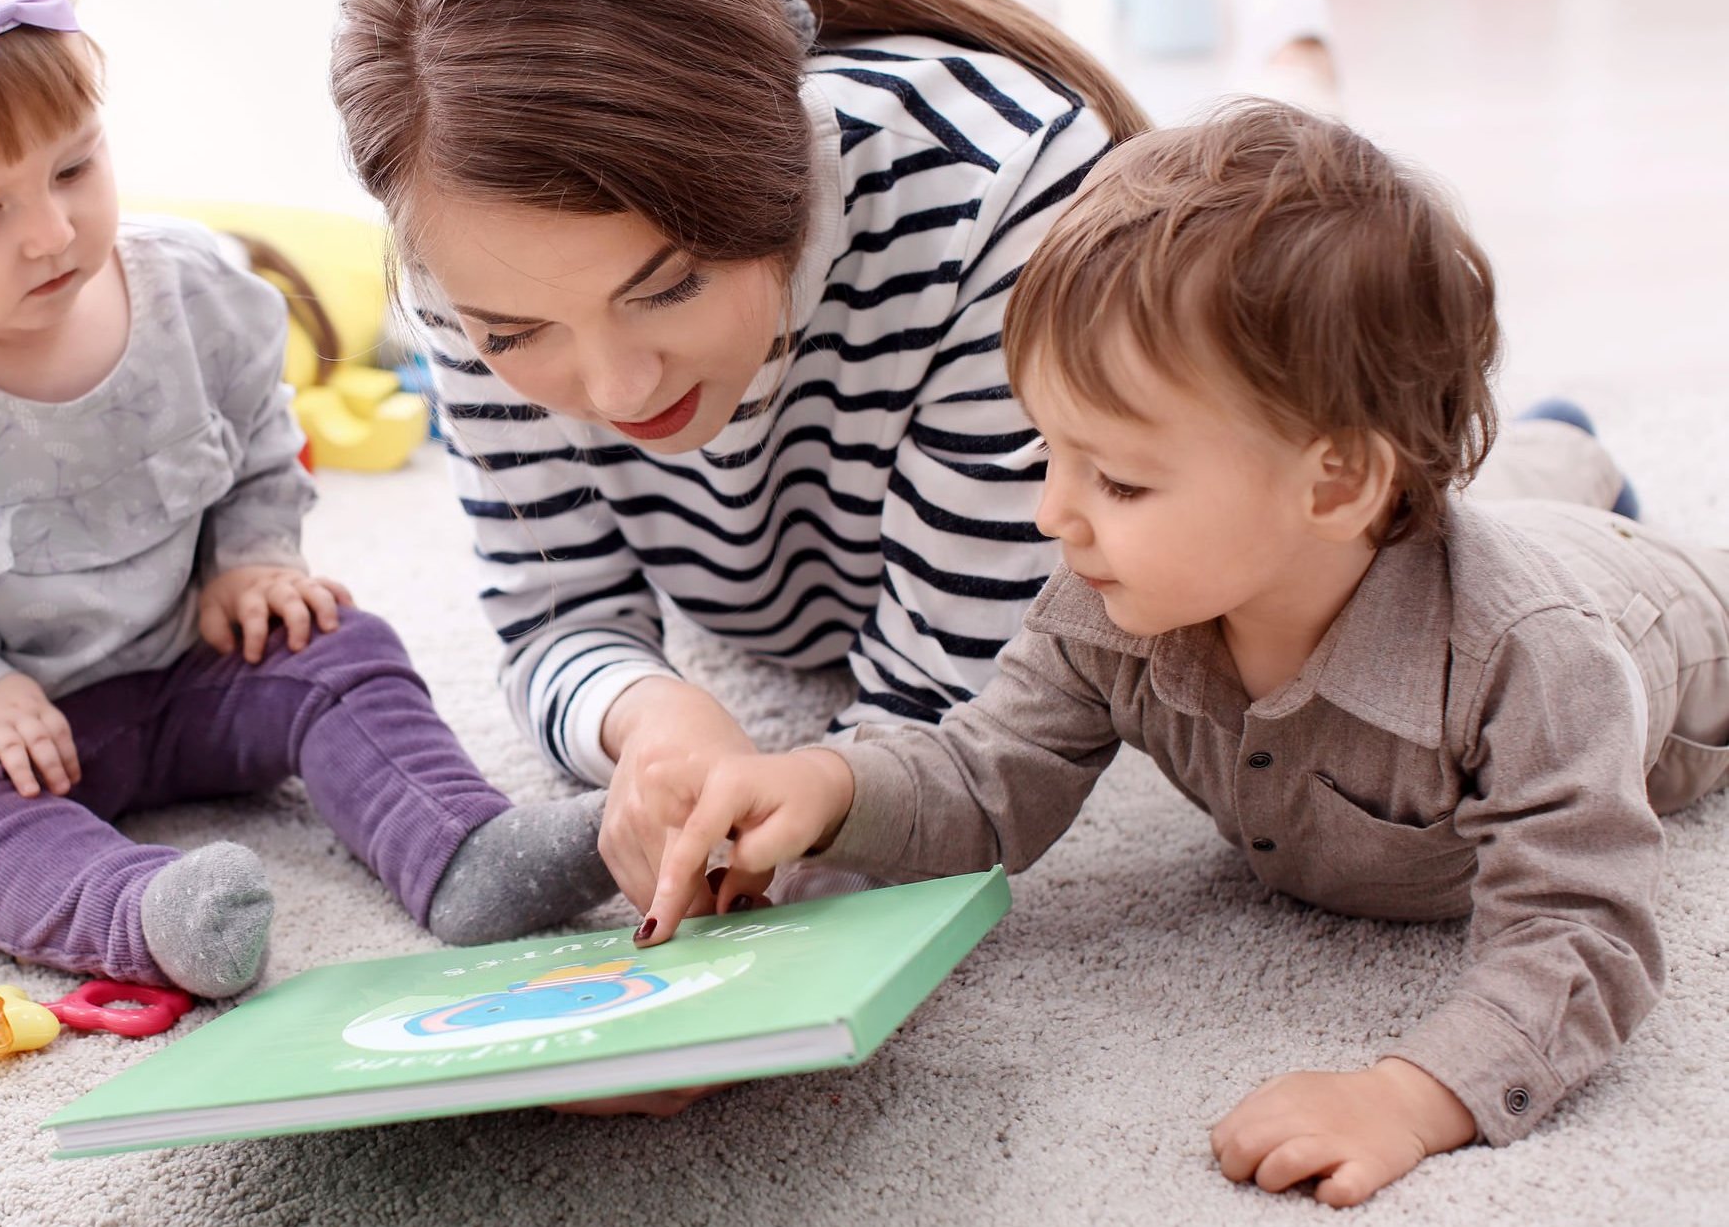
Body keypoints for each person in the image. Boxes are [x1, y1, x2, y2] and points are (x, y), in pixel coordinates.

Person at [618, 100, 1729, 1204]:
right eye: (1048, 451)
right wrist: (821, 783)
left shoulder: (1534, 661)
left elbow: (1583, 927)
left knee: (1543, 538)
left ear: (1335, 481)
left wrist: (1411, 1094)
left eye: (1120, 479)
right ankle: (1559, 441)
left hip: (1654, 615)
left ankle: (1565, 457)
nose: (1054, 512)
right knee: (1513, 488)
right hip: (1427, 527)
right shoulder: (1112, 602)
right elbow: (986, 773)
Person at [0, 0, 613, 998]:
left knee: (343, 645)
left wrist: (252, 561)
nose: (51, 232)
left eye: (73, 167)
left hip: (193, 663)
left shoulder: (197, 293)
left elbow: (256, 437)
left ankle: (463, 850)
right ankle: (145, 914)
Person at [327, 0, 1148, 907]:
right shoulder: (467, 240)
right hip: (790, 599)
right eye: (519, 334)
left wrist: (781, 843)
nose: (620, 390)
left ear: (779, 171)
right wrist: (654, 719)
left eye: (668, 288)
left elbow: (960, 720)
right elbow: (552, 614)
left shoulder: (1005, 204)